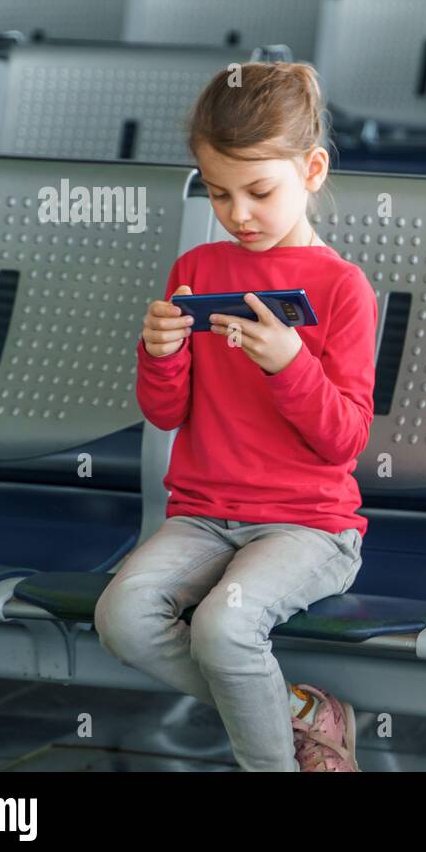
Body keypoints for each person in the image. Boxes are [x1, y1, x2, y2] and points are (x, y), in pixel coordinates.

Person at [94, 62, 378, 772]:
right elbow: (165, 412)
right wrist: (159, 354)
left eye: (259, 191)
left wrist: (290, 366)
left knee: (224, 629)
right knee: (121, 618)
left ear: (311, 170)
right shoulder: (199, 268)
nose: (239, 213)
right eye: (219, 193)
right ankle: (301, 712)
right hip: (202, 514)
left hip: (309, 525)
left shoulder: (342, 288)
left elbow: (344, 437)